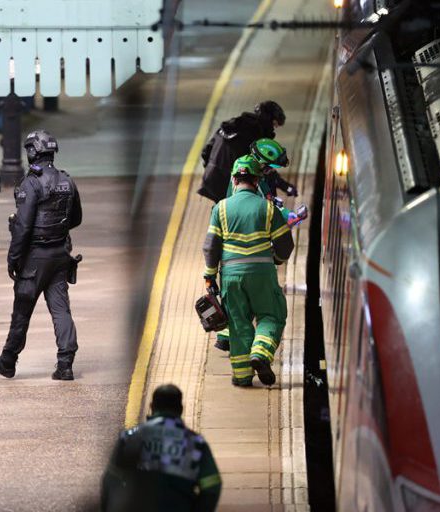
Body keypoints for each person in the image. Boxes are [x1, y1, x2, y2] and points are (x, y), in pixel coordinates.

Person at [0, 130, 82, 380]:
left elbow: (23, 227)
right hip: (60, 255)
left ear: (32, 152)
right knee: (61, 309)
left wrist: (13, 258)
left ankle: (8, 361)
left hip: (35, 259)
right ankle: (65, 364)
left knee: (22, 311)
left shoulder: (31, 183)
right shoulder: (67, 180)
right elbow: (76, 218)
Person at [203, 157, 295, 387]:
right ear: (257, 181)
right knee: (272, 314)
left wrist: (210, 276)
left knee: (238, 323)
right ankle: (261, 353)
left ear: (234, 180)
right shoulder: (268, 208)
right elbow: (285, 244)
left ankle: (243, 376)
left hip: (231, 276)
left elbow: (211, 246)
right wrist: (277, 259)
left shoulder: (221, 208)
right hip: (262, 274)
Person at [100, 384, 222, 512]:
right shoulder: (195, 443)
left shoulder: (130, 438)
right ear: (181, 409)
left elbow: (111, 480)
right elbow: (212, 486)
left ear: (152, 407)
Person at [198, 100, 286, 203]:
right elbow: (264, 167)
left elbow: (205, 152)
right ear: (268, 120)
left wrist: (213, 170)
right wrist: (281, 184)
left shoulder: (231, 125)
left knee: (224, 209)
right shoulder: (256, 135)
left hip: (211, 178)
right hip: (230, 184)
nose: (273, 129)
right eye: (274, 125)